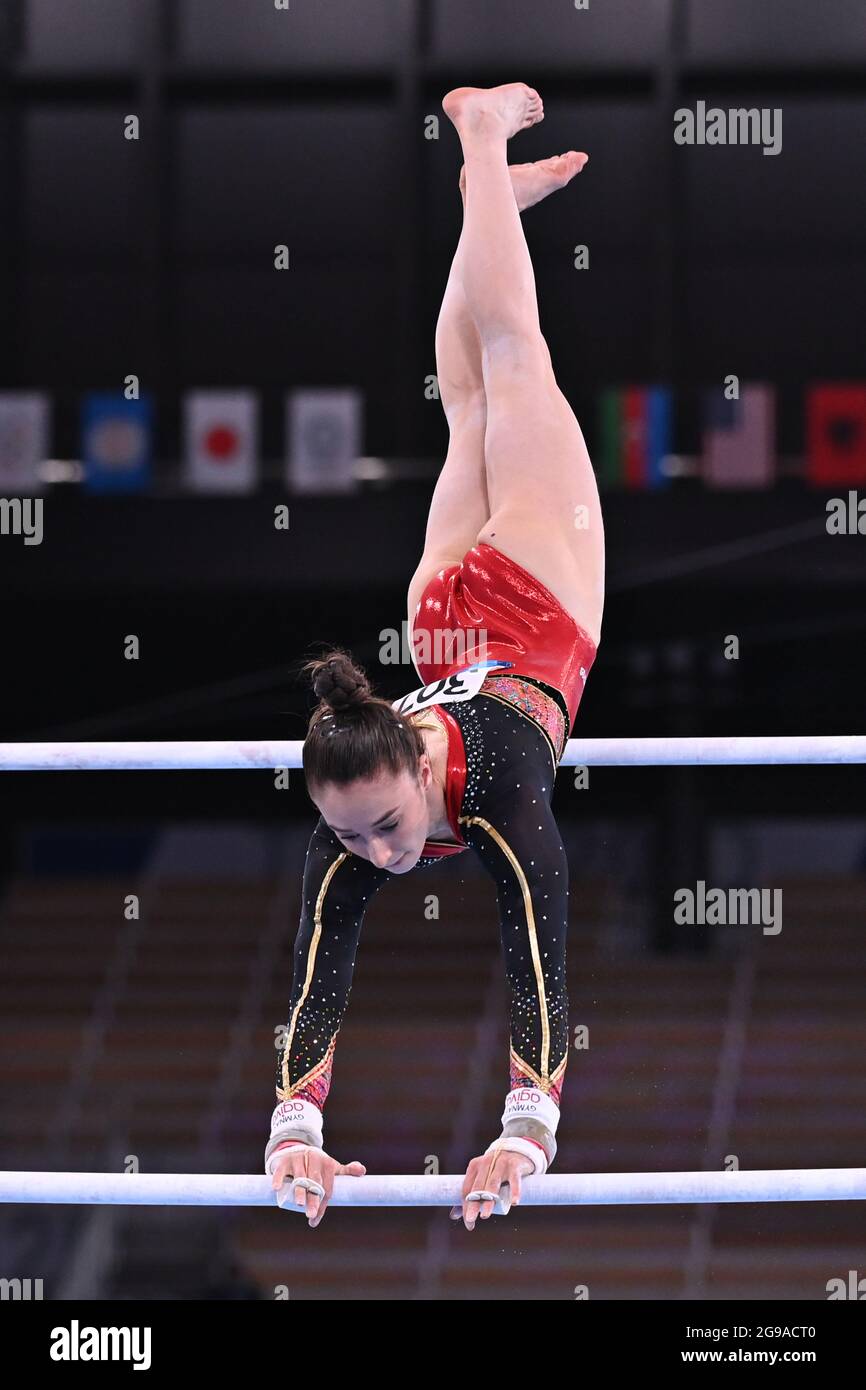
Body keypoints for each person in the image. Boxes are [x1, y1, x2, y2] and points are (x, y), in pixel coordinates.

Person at [266, 83, 605, 1230]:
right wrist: (295, 1136)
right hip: (440, 630)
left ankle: (479, 137)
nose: (375, 851)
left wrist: (525, 1132)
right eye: (354, 836)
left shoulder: (496, 779)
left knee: (511, 359)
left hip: (526, 603)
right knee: (466, 397)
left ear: (418, 763)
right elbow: (315, 975)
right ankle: (484, 204)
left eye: (380, 825)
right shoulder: (355, 807)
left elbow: (535, 948)